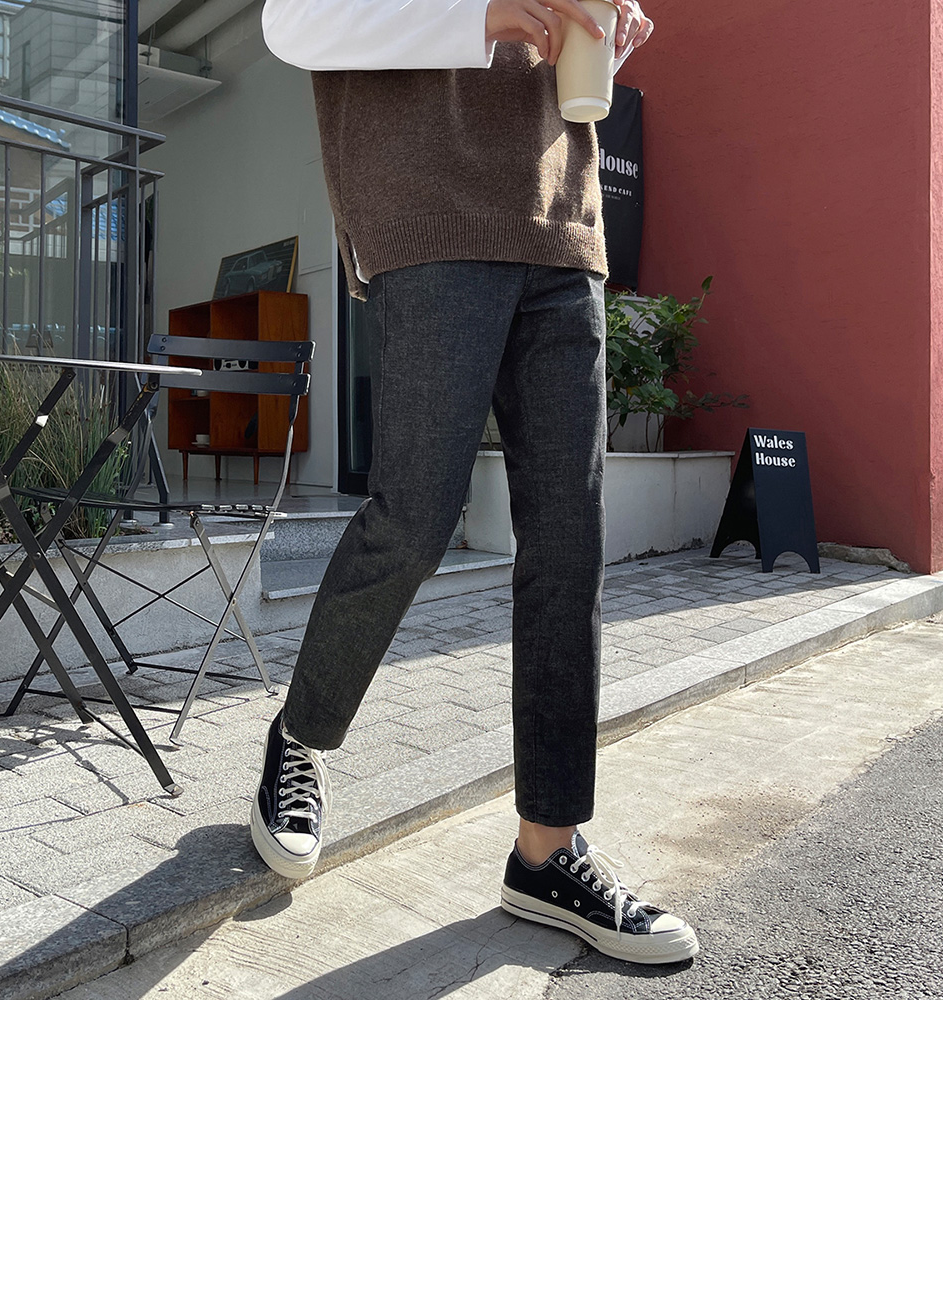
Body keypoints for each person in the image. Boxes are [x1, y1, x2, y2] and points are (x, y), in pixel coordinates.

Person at [251, 0, 699, 964]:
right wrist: (487, 14)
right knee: (415, 519)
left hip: (562, 220)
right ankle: (301, 735)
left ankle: (547, 851)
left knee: (568, 542)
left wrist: (608, 25)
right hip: (429, 211)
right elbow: (293, 23)